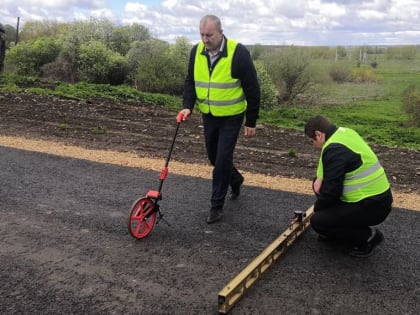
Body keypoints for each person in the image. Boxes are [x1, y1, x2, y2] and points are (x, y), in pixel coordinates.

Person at [178, 14, 260, 224]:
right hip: (210, 114)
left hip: (232, 116)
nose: (205, 39)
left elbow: (252, 89)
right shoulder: (196, 51)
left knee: (222, 159)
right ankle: (236, 178)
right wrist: (187, 106)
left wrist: (250, 121)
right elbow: (191, 81)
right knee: (214, 157)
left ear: (221, 33)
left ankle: (216, 206)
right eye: (202, 35)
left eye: (209, 35)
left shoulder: (238, 53)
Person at [304, 115, 393, 257]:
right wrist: (319, 178)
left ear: (318, 135)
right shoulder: (344, 133)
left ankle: (369, 236)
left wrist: (317, 211)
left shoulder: (334, 149)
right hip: (378, 199)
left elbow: (332, 192)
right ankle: (334, 226)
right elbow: (325, 163)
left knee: (318, 222)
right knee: (319, 186)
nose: (313, 146)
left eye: (311, 141)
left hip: (372, 205)